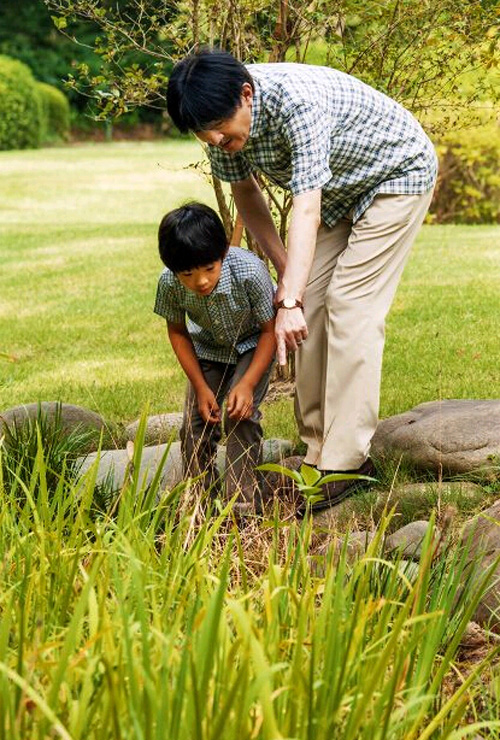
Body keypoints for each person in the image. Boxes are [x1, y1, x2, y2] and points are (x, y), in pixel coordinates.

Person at [166, 49, 438, 511]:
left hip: (397, 175)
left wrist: (288, 296)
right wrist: (289, 276)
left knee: (350, 305)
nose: (213, 138)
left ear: (246, 95)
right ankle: (317, 450)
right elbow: (247, 195)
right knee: (308, 298)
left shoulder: (297, 104)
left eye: (218, 125)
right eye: (202, 132)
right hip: (341, 191)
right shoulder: (223, 135)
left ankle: (348, 461)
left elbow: (305, 206)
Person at [154, 202, 276, 515]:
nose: (201, 281)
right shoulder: (168, 283)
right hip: (207, 348)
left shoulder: (251, 272)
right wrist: (201, 387)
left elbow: (269, 331)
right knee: (195, 426)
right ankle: (201, 507)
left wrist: (247, 383)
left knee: (240, 415)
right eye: (188, 274)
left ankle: (243, 510)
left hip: (253, 344)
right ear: (173, 269)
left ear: (221, 254)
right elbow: (178, 332)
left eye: (209, 268)